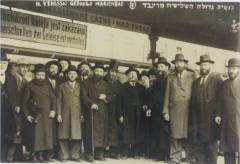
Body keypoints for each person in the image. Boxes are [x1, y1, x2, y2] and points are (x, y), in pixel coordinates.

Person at [189, 54, 222, 164]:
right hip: (198, 120)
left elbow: (220, 99)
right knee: (199, 147)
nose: (203, 67)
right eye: (202, 65)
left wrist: (218, 114)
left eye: (206, 65)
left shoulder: (217, 80)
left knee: (212, 147)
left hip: (211, 120)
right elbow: (193, 103)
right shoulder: (195, 82)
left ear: (210, 65)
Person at [163, 53, 196, 163]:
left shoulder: (192, 75)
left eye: (181, 62)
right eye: (176, 62)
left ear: (185, 63)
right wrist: (165, 111)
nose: (178, 64)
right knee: (175, 134)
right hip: (174, 110)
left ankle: (190, 156)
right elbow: (167, 94)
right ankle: (175, 157)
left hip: (189, 109)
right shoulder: (170, 77)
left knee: (189, 133)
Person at [23, 64, 56, 162]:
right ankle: (34, 155)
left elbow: (54, 99)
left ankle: (42, 155)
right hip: (35, 115)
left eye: (42, 75)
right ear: (34, 75)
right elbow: (24, 102)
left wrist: (53, 110)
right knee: (36, 137)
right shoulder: (29, 85)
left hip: (47, 116)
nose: (40, 77)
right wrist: (27, 115)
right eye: (38, 75)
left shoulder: (48, 86)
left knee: (46, 136)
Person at [81, 62, 111, 161]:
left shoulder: (106, 84)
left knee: (101, 132)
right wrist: (91, 104)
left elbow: (110, 96)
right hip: (90, 111)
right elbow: (83, 96)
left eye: (101, 71)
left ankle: (99, 153)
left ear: (103, 73)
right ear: (93, 71)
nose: (99, 73)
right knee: (89, 132)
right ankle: (89, 153)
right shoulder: (86, 82)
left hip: (102, 111)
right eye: (97, 71)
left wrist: (106, 97)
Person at [119, 66, 146, 159]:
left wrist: (144, 106)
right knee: (126, 133)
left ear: (137, 76)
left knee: (137, 133)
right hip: (126, 114)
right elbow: (119, 103)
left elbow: (144, 101)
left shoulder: (141, 88)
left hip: (138, 114)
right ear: (127, 76)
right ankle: (125, 153)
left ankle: (135, 153)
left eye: (134, 74)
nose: (132, 76)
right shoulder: (122, 87)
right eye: (130, 74)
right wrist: (120, 115)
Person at [57, 65, 82, 162]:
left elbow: (82, 101)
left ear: (77, 75)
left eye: (74, 74)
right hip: (65, 112)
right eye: (70, 74)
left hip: (77, 113)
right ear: (67, 74)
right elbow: (58, 100)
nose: (72, 75)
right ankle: (64, 155)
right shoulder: (62, 86)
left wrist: (82, 114)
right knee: (63, 134)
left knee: (77, 135)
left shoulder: (80, 86)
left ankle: (75, 155)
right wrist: (59, 114)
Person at [217, 58, 240, 164]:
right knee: (228, 148)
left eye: (234, 68)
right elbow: (219, 101)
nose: (231, 71)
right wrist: (218, 114)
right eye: (229, 68)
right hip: (226, 121)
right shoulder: (224, 84)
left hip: (238, 121)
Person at [6, 58, 30, 162]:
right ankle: (9, 157)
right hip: (13, 111)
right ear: (16, 68)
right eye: (22, 67)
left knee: (21, 132)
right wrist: (16, 105)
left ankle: (18, 155)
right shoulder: (11, 79)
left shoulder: (26, 81)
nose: (24, 69)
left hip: (22, 111)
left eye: (26, 67)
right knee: (15, 133)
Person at [149, 57, 171, 161]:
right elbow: (153, 96)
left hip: (167, 110)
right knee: (158, 132)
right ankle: (160, 155)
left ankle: (167, 155)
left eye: (162, 66)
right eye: (158, 67)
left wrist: (167, 110)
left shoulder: (170, 79)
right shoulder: (157, 81)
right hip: (157, 111)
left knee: (166, 133)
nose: (160, 69)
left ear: (167, 67)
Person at [0, 49, 20, 162]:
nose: (2, 65)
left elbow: (15, 95)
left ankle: (3, 158)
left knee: (7, 135)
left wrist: (17, 105)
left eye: (4, 63)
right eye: (0, 63)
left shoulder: (11, 78)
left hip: (9, 112)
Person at [104, 59, 122, 159]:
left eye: (115, 72)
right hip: (105, 109)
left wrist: (120, 113)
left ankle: (114, 152)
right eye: (111, 71)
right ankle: (104, 151)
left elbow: (121, 98)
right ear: (108, 71)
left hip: (115, 110)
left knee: (114, 131)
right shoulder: (103, 81)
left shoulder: (119, 83)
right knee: (105, 129)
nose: (113, 73)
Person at [45, 60, 62, 160]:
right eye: (52, 68)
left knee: (54, 133)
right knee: (46, 133)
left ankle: (53, 154)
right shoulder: (43, 80)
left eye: (56, 69)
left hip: (56, 110)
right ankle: (44, 154)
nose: (54, 71)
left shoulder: (59, 82)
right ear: (47, 69)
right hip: (46, 111)